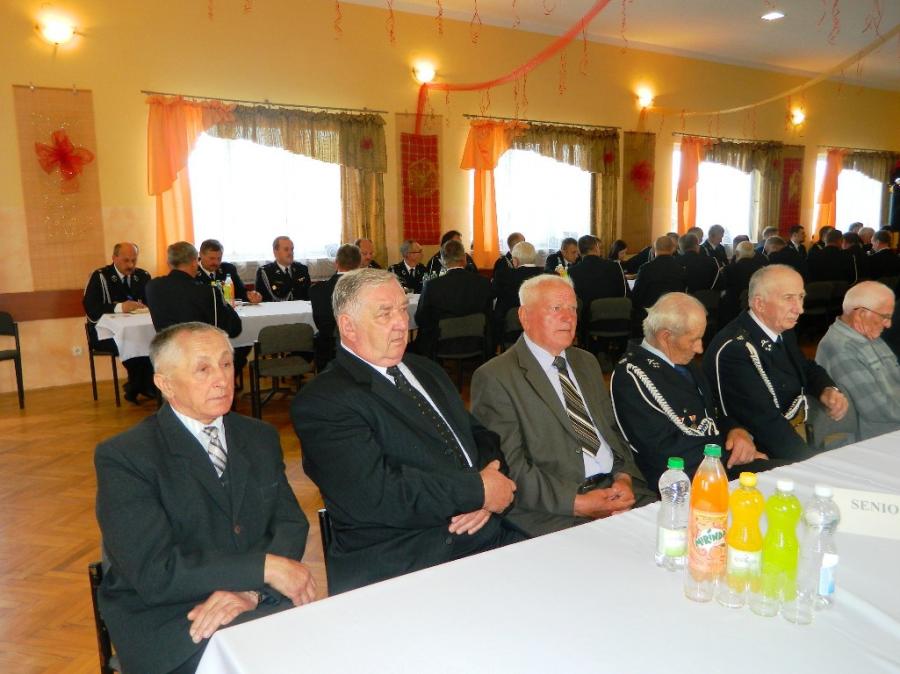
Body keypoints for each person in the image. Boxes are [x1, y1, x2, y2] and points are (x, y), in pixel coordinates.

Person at [95, 323, 316, 674]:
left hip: (258, 601)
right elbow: (156, 573)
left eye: (226, 364)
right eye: (203, 369)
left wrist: (252, 591)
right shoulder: (127, 457)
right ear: (165, 384)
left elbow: (290, 523)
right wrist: (264, 568)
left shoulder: (258, 436)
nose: (222, 379)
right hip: (175, 620)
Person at [291, 269, 523, 594]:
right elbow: (377, 495)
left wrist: (490, 483)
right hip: (406, 559)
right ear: (348, 326)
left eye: (403, 309)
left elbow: (481, 437)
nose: (402, 323)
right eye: (385, 314)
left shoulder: (425, 369)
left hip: (484, 531)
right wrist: (477, 491)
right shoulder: (324, 401)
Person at [470, 275, 654, 537]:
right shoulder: (496, 377)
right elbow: (510, 466)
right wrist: (578, 504)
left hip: (617, 490)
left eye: (573, 309)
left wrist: (624, 477)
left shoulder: (586, 362)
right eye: (556, 308)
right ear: (524, 316)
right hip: (557, 510)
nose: (569, 318)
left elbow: (612, 431)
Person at [610, 293, 780, 489]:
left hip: (715, 464)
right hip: (683, 481)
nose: (700, 349)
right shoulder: (632, 377)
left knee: (785, 474)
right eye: (694, 340)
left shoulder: (682, 361)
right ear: (666, 337)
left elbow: (711, 414)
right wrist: (732, 456)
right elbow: (663, 451)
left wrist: (735, 430)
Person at [704, 265, 849, 459]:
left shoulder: (780, 329)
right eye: (788, 298)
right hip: (758, 451)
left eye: (801, 297)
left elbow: (804, 367)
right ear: (760, 304)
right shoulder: (736, 349)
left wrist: (827, 388)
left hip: (792, 433)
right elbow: (764, 422)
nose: (800, 309)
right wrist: (810, 461)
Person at [815, 281, 899, 440]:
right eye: (885, 317)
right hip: (881, 437)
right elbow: (877, 409)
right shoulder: (840, 347)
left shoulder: (869, 334)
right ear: (861, 314)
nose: (888, 324)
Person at [83, 242, 156, 403]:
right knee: (131, 343)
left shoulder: (142, 276)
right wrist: (119, 307)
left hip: (139, 331)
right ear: (114, 258)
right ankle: (141, 386)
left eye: (134, 260)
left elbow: (152, 303)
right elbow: (91, 308)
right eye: (126, 260)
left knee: (154, 343)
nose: (130, 265)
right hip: (105, 333)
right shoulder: (100, 276)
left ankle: (139, 386)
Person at [145, 242, 243, 339]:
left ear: (169, 263)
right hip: (198, 347)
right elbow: (233, 328)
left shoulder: (152, 287)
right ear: (194, 262)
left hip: (166, 347)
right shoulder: (208, 292)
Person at [413, 239, 492, 359]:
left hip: (441, 345)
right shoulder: (483, 283)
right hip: (476, 342)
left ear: (443, 261)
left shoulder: (432, 286)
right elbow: (489, 315)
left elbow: (420, 318)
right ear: (464, 258)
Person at [568, 234, 629, 343]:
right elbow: (624, 293)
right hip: (617, 319)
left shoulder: (572, 272)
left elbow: (573, 301)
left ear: (579, 252)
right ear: (596, 247)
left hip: (589, 323)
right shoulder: (615, 266)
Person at [310, 243, 361, 370]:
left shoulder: (317, 290)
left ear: (336, 263)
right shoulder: (366, 289)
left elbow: (320, 323)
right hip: (359, 350)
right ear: (359, 264)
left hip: (328, 351)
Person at [492, 241, 545, 342]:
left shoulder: (503, 276)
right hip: (540, 329)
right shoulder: (547, 276)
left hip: (509, 330)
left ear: (515, 261)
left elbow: (492, 294)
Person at [195, 239, 262, 304]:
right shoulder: (193, 272)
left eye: (219, 258)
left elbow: (241, 292)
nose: (216, 262)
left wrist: (251, 296)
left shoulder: (228, 269)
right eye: (212, 258)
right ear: (200, 254)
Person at [631, 235, 686, 312]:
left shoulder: (646, 268)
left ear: (654, 249)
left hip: (650, 313)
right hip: (674, 312)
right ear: (672, 249)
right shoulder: (680, 268)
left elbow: (636, 296)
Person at [720, 241, 766, 325]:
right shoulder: (761, 270)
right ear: (753, 254)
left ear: (737, 253)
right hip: (754, 307)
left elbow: (722, 287)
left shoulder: (728, 269)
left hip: (732, 308)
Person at [255, 236, 311, 302]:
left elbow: (309, 296)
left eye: (292, 249)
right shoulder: (265, 272)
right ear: (275, 252)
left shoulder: (302, 269)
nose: (290, 253)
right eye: (286, 249)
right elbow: (261, 300)